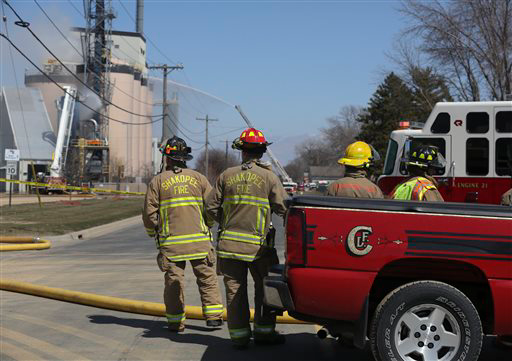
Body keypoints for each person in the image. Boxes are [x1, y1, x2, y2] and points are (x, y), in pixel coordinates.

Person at [205, 127, 288, 348]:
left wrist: (226, 221)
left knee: (235, 293)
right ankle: (263, 333)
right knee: (265, 290)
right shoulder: (269, 177)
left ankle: (240, 337)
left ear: (242, 151)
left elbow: (210, 206)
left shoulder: (226, 175)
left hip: (229, 246)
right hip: (260, 248)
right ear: (261, 152)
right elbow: (284, 208)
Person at [143, 136, 224, 332]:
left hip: (172, 244)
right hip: (200, 242)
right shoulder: (199, 179)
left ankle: (175, 321)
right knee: (207, 278)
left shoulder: (158, 181)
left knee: (174, 282)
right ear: (185, 158)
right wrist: (209, 224)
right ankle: (213, 317)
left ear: (167, 159)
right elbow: (212, 206)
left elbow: (149, 213)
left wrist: (152, 231)